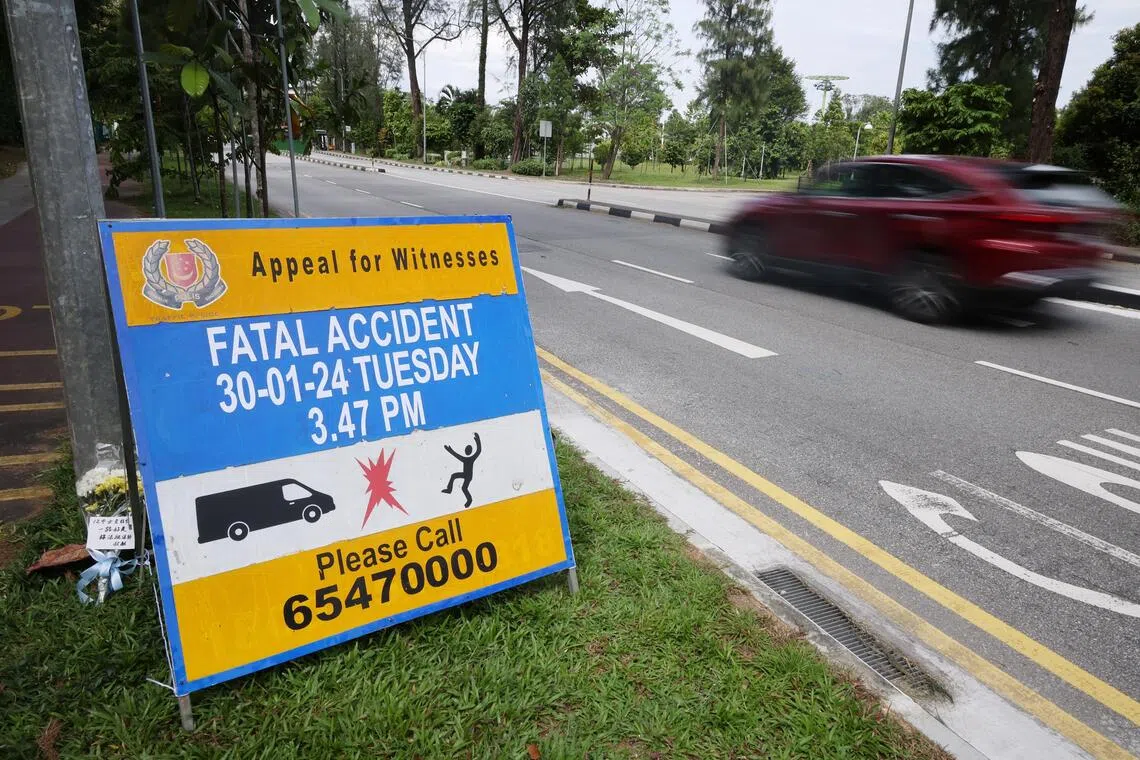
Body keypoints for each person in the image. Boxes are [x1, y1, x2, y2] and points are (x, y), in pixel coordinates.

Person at [442, 433, 482, 508]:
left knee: (464, 488)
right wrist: (449, 450)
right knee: (453, 476)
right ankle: (449, 489)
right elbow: (456, 455)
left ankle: (469, 500)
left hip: (469, 476)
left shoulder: (471, 458)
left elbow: (478, 451)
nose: (466, 451)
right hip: (465, 474)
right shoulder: (466, 459)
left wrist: (478, 440)